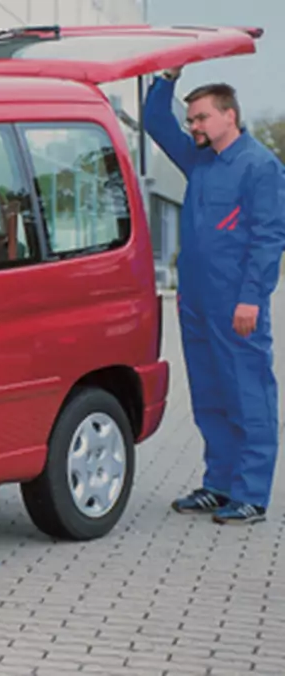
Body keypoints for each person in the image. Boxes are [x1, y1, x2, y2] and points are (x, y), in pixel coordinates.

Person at [145, 67, 285, 525]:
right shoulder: (200, 160)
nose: (194, 127)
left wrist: (252, 298)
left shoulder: (260, 166)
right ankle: (219, 484)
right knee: (209, 394)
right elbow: (155, 123)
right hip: (197, 301)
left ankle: (251, 494)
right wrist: (166, 76)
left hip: (235, 303)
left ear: (229, 115)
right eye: (191, 120)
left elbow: (268, 238)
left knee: (248, 393)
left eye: (201, 118)